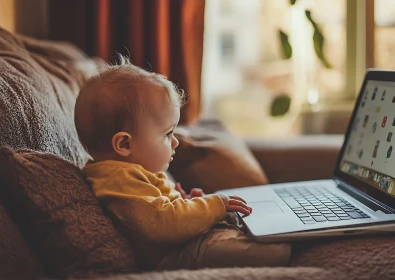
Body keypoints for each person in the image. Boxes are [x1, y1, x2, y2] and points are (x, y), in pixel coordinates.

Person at [74, 55, 291, 271]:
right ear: (124, 144)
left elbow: (163, 209)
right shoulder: (118, 178)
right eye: (167, 134)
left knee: (256, 230)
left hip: (184, 244)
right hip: (174, 255)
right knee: (276, 250)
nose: (176, 141)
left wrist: (188, 203)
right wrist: (213, 206)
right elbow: (161, 223)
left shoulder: (130, 170)